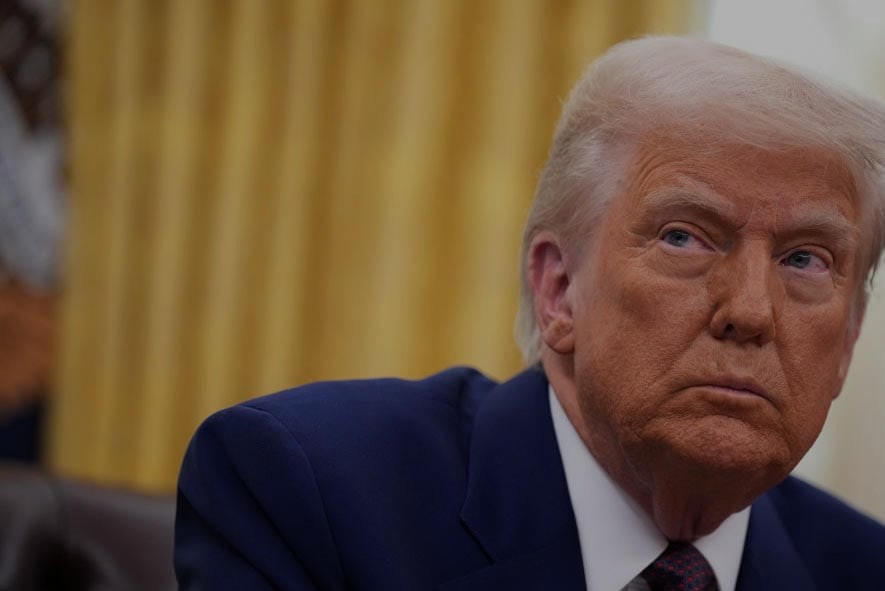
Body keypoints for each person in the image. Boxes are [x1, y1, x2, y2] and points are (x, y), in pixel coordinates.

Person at [174, 36, 885, 590]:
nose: (751, 311)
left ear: (848, 339)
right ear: (556, 290)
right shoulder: (310, 493)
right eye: (683, 237)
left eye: (805, 259)